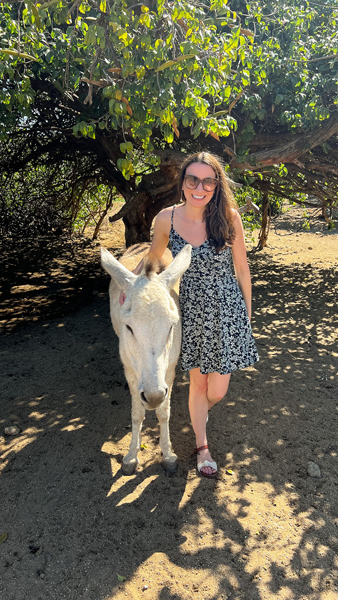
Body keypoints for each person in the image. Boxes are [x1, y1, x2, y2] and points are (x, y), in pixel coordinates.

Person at [138, 152, 259, 477]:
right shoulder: (167, 219)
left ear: (216, 184)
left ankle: (199, 412)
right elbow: (152, 262)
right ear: (183, 182)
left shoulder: (229, 217)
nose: (199, 187)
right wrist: (131, 287)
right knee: (197, 382)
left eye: (208, 180)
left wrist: (246, 314)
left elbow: (243, 270)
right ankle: (202, 447)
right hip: (189, 310)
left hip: (226, 309)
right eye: (193, 179)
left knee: (216, 391)